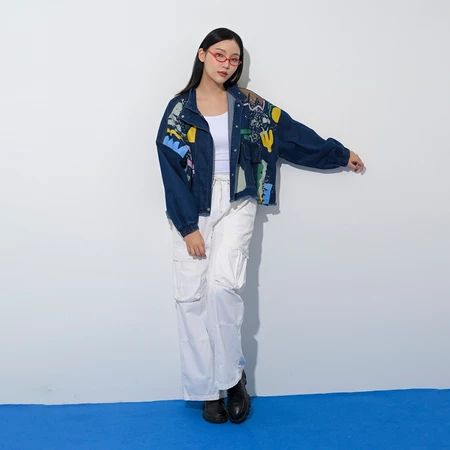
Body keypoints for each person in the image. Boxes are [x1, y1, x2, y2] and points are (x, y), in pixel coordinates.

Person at [155, 27, 365, 425]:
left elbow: (291, 135)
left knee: (223, 287)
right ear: (202, 55)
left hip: (238, 198)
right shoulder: (179, 109)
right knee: (191, 298)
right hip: (193, 206)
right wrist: (187, 226)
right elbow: (169, 167)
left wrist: (339, 154)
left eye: (234, 59)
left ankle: (232, 378)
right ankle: (206, 391)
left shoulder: (249, 105)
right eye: (220, 55)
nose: (227, 64)